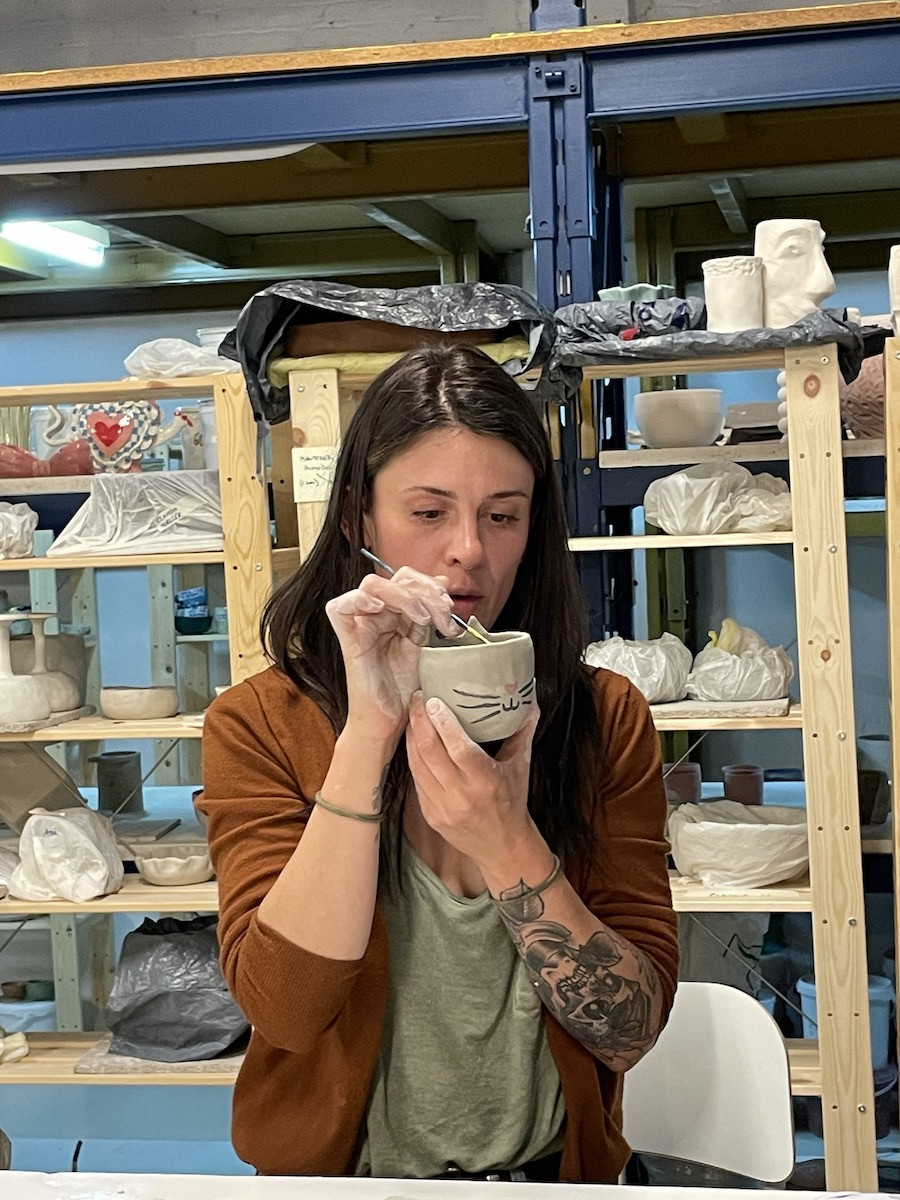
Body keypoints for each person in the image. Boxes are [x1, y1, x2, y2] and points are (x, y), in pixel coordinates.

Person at [198, 343, 678, 1182]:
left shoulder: (602, 719)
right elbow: (285, 1011)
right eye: (428, 512)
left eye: (503, 516)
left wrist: (504, 841)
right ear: (359, 520)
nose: (469, 550)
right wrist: (368, 734)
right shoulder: (261, 725)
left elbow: (629, 1029)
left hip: (550, 1176)